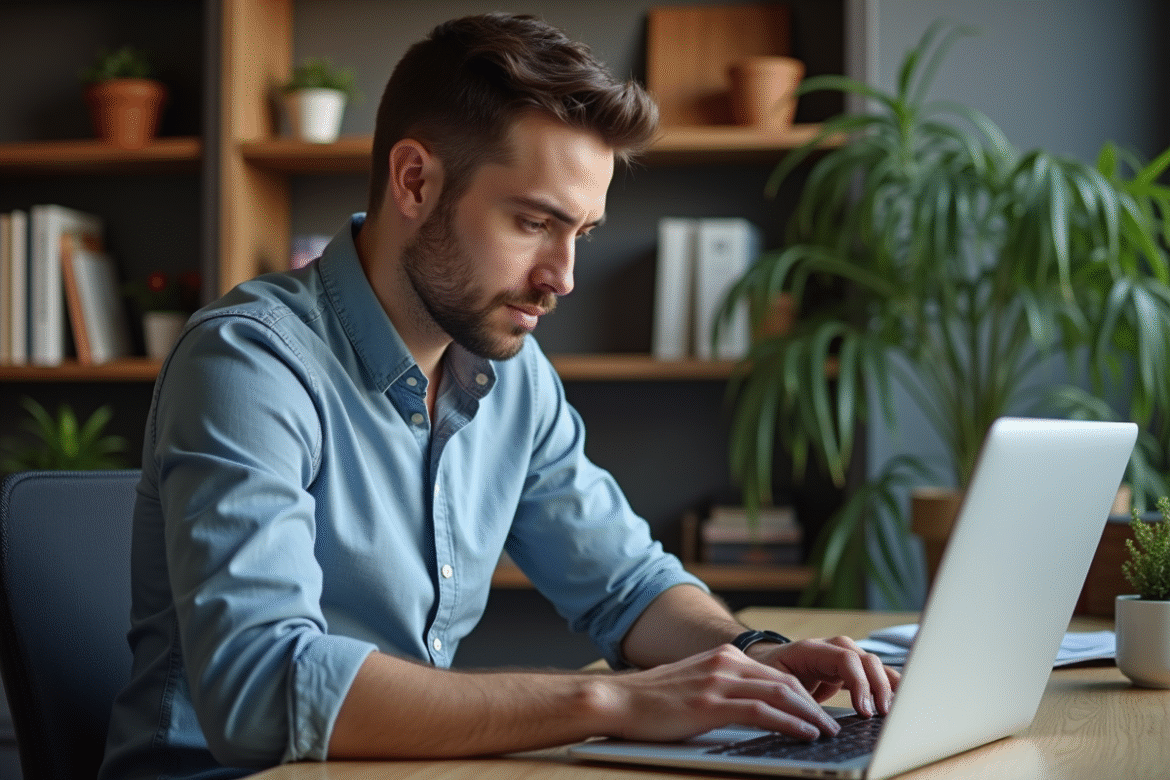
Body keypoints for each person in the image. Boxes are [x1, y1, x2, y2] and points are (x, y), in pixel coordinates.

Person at [98, 13, 898, 780]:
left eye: (579, 233)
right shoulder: (250, 361)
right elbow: (259, 691)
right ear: (415, 181)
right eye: (533, 222)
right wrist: (613, 700)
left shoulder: (511, 371)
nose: (564, 278)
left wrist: (752, 651)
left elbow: (626, 585)